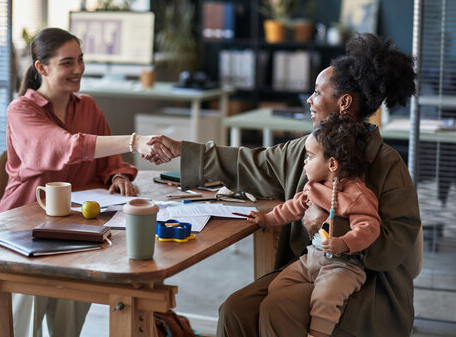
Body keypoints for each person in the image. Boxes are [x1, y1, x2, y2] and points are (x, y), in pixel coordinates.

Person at [146, 33, 421, 336]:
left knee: (277, 308)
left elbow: (398, 242)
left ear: (343, 103)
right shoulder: (306, 149)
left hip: (368, 283)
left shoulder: (387, 163)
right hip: (311, 267)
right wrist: (182, 151)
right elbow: (249, 163)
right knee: (235, 311)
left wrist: (334, 230)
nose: (309, 99)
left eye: (317, 92)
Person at [0, 27, 170, 336]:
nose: (78, 70)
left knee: (69, 324)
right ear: (41, 68)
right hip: (21, 232)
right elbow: (63, 146)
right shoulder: (21, 110)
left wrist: (116, 175)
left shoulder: (87, 106)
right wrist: (134, 140)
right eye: (67, 63)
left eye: (81, 60)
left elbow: (109, 164)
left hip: (75, 234)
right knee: (24, 324)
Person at [247, 113, 380, 337]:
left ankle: (318, 334)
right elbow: (291, 207)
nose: (304, 162)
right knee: (276, 287)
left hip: (343, 265)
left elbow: (369, 227)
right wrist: (266, 219)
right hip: (312, 258)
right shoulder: (313, 187)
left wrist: (344, 243)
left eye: (309, 157)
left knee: (325, 298)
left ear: (331, 163)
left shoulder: (357, 195)